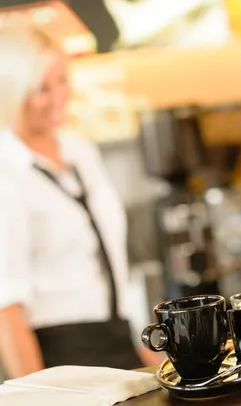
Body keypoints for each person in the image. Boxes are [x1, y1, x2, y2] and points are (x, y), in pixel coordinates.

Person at [0, 26, 156, 378]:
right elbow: (5, 307)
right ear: (12, 92)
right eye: (41, 88)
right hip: (58, 354)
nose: (58, 98)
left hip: (116, 339)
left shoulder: (79, 149)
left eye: (62, 81)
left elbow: (103, 268)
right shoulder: (5, 173)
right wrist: (38, 402)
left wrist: (137, 350)